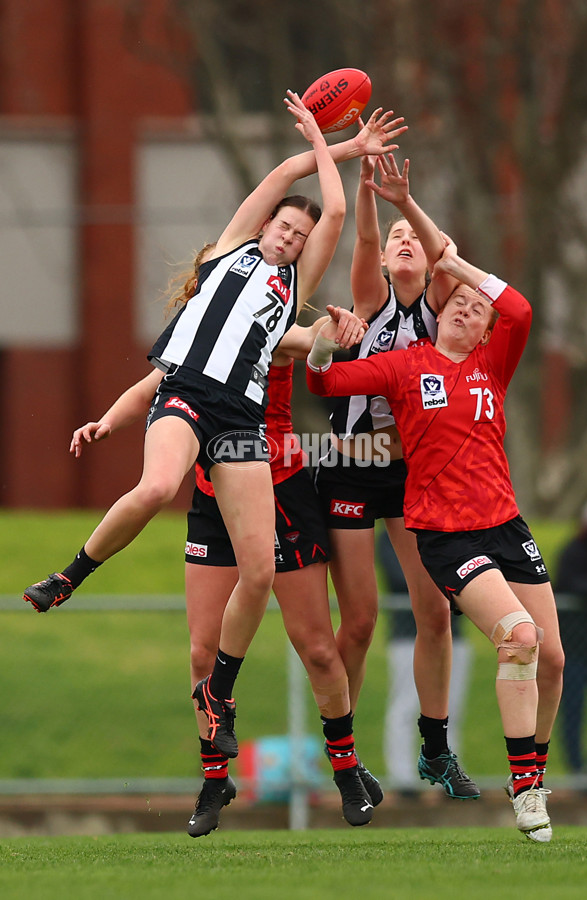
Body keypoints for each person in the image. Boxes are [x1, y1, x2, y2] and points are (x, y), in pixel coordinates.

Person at [22, 95, 404, 745]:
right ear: (260, 229)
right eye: (282, 227)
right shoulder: (227, 251)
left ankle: (219, 693)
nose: (288, 235)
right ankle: (69, 576)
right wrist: (324, 139)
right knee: (155, 487)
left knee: (258, 570)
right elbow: (286, 176)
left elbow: (335, 210)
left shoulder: (290, 295)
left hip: (240, 421)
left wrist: (347, 152)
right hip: (188, 397)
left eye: (298, 236)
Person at [306, 239, 565, 841]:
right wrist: (322, 341)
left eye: (479, 309)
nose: (468, 309)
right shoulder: (406, 364)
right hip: (446, 535)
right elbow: (323, 384)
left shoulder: (489, 365)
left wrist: (456, 266)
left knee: (549, 658)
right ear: (440, 310)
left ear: (484, 334)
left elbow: (519, 311)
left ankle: (532, 775)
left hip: (505, 525)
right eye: (459, 303)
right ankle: (525, 789)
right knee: (519, 638)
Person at [313, 152, 479, 799]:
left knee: (435, 612)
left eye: (415, 239)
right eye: (397, 241)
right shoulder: (371, 299)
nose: (404, 242)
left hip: (415, 477)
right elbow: (364, 235)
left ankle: (435, 748)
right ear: (385, 260)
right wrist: (365, 187)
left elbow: (442, 254)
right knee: (358, 623)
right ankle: (345, 756)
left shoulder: (443, 310)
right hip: (353, 474)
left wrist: (411, 206)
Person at [185, 304, 384, 834]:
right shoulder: (190, 339)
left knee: (319, 647)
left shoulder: (270, 321)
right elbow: (151, 390)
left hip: (283, 485)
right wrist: (109, 420)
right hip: (214, 492)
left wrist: (330, 333)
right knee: (203, 652)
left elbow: (310, 341)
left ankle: (345, 769)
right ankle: (213, 778)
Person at [377, 529, 473, 794]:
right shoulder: (389, 534)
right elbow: (401, 578)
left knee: (451, 707)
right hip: (409, 636)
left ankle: (449, 774)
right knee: (406, 706)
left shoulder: (448, 525)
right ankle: (403, 778)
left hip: (453, 635)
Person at [555, 491, 587, 773]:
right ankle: (576, 772)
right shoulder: (574, 552)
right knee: (572, 711)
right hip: (572, 650)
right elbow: (571, 585)